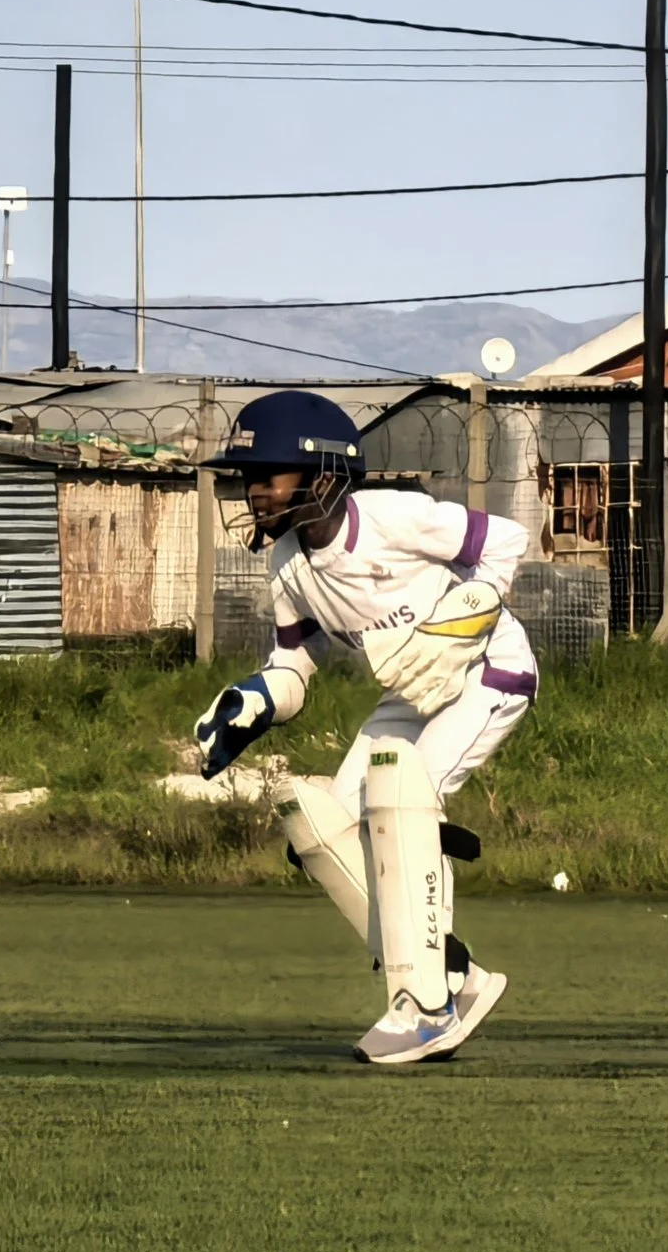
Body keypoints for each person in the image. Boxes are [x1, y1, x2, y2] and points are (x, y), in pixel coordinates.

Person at [192, 390, 534, 1064]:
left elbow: (505, 541)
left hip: (487, 673)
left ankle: (427, 1007)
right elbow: (296, 656)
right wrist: (259, 699)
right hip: (408, 691)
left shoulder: (389, 516)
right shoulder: (287, 563)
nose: (255, 492)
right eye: (248, 478)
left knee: (397, 805)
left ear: (323, 474)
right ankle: (454, 974)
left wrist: (464, 622)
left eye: (269, 475)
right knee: (317, 826)